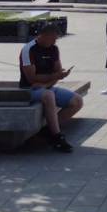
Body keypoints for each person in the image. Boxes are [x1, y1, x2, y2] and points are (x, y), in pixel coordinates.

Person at [19, 22, 83, 151]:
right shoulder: (28, 49)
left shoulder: (54, 49)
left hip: (47, 87)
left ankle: (47, 131)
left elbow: (58, 73)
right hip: (29, 89)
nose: (55, 41)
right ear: (44, 35)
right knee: (48, 95)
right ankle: (56, 137)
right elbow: (31, 78)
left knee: (77, 101)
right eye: (53, 38)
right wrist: (54, 76)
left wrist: (47, 82)